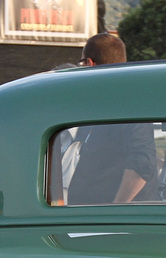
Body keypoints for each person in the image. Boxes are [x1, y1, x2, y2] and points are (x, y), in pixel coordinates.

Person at [65, 32, 157, 205]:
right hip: (91, 216)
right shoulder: (105, 104)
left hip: (115, 223)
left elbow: (142, 165)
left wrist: (115, 209)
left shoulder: (129, 105)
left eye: (81, 63)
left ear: (89, 63)